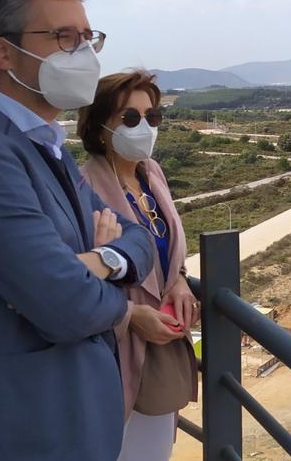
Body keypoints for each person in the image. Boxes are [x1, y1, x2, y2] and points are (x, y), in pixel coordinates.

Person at [0, 0, 156, 460]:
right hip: (29, 427)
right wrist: (118, 302)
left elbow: (138, 238)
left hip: (76, 415)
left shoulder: (43, 144)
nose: (84, 54)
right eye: (62, 37)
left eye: (88, 38)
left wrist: (99, 261)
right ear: (2, 51)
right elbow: (68, 307)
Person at [77, 70, 199, 460]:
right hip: (112, 354)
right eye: (130, 118)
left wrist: (179, 280)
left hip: (158, 350)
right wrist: (131, 316)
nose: (144, 126)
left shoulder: (152, 174)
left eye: (152, 116)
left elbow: (168, 251)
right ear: (99, 129)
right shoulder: (84, 191)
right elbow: (73, 283)